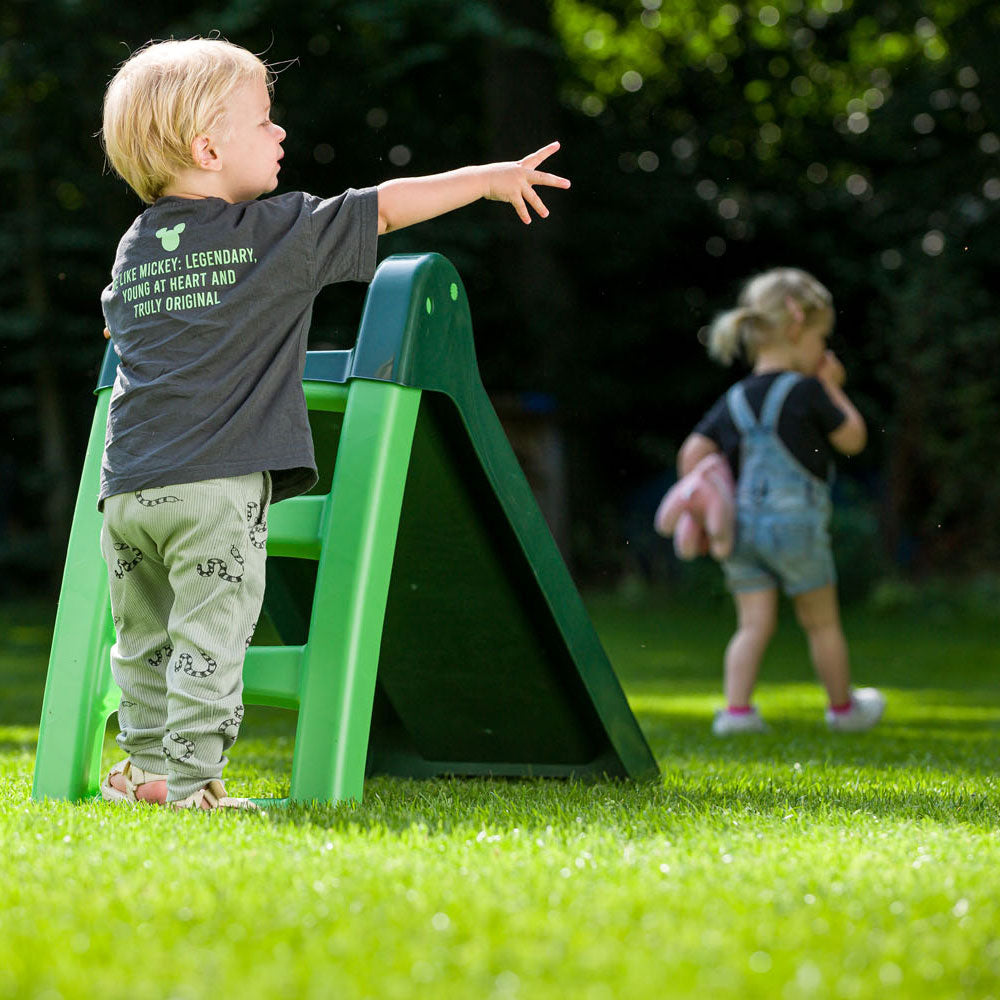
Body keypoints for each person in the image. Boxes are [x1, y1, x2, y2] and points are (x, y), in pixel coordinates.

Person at [97, 37, 570, 809]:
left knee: (144, 640)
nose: (280, 134)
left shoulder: (136, 247)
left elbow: (118, 324)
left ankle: (146, 770)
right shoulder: (275, 232)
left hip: (128, 493)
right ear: (207, 147)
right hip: (214, 492)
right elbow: (384, 205)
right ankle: (191, 787)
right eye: (264, 121)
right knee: (211, 643)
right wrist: (487, 179)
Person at [676, 267, 884, 736]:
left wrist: (709, 500)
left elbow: (692, 454)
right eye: (821, 338)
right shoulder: (808, 390)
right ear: (796, 328)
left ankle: (737, 714)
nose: (823, 351)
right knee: (821, 623)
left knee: (752, 625)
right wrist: (833, 385)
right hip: (795, 528)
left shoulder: (734, 399)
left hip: (742, 532)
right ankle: (843, 711)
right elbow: (852, 438)